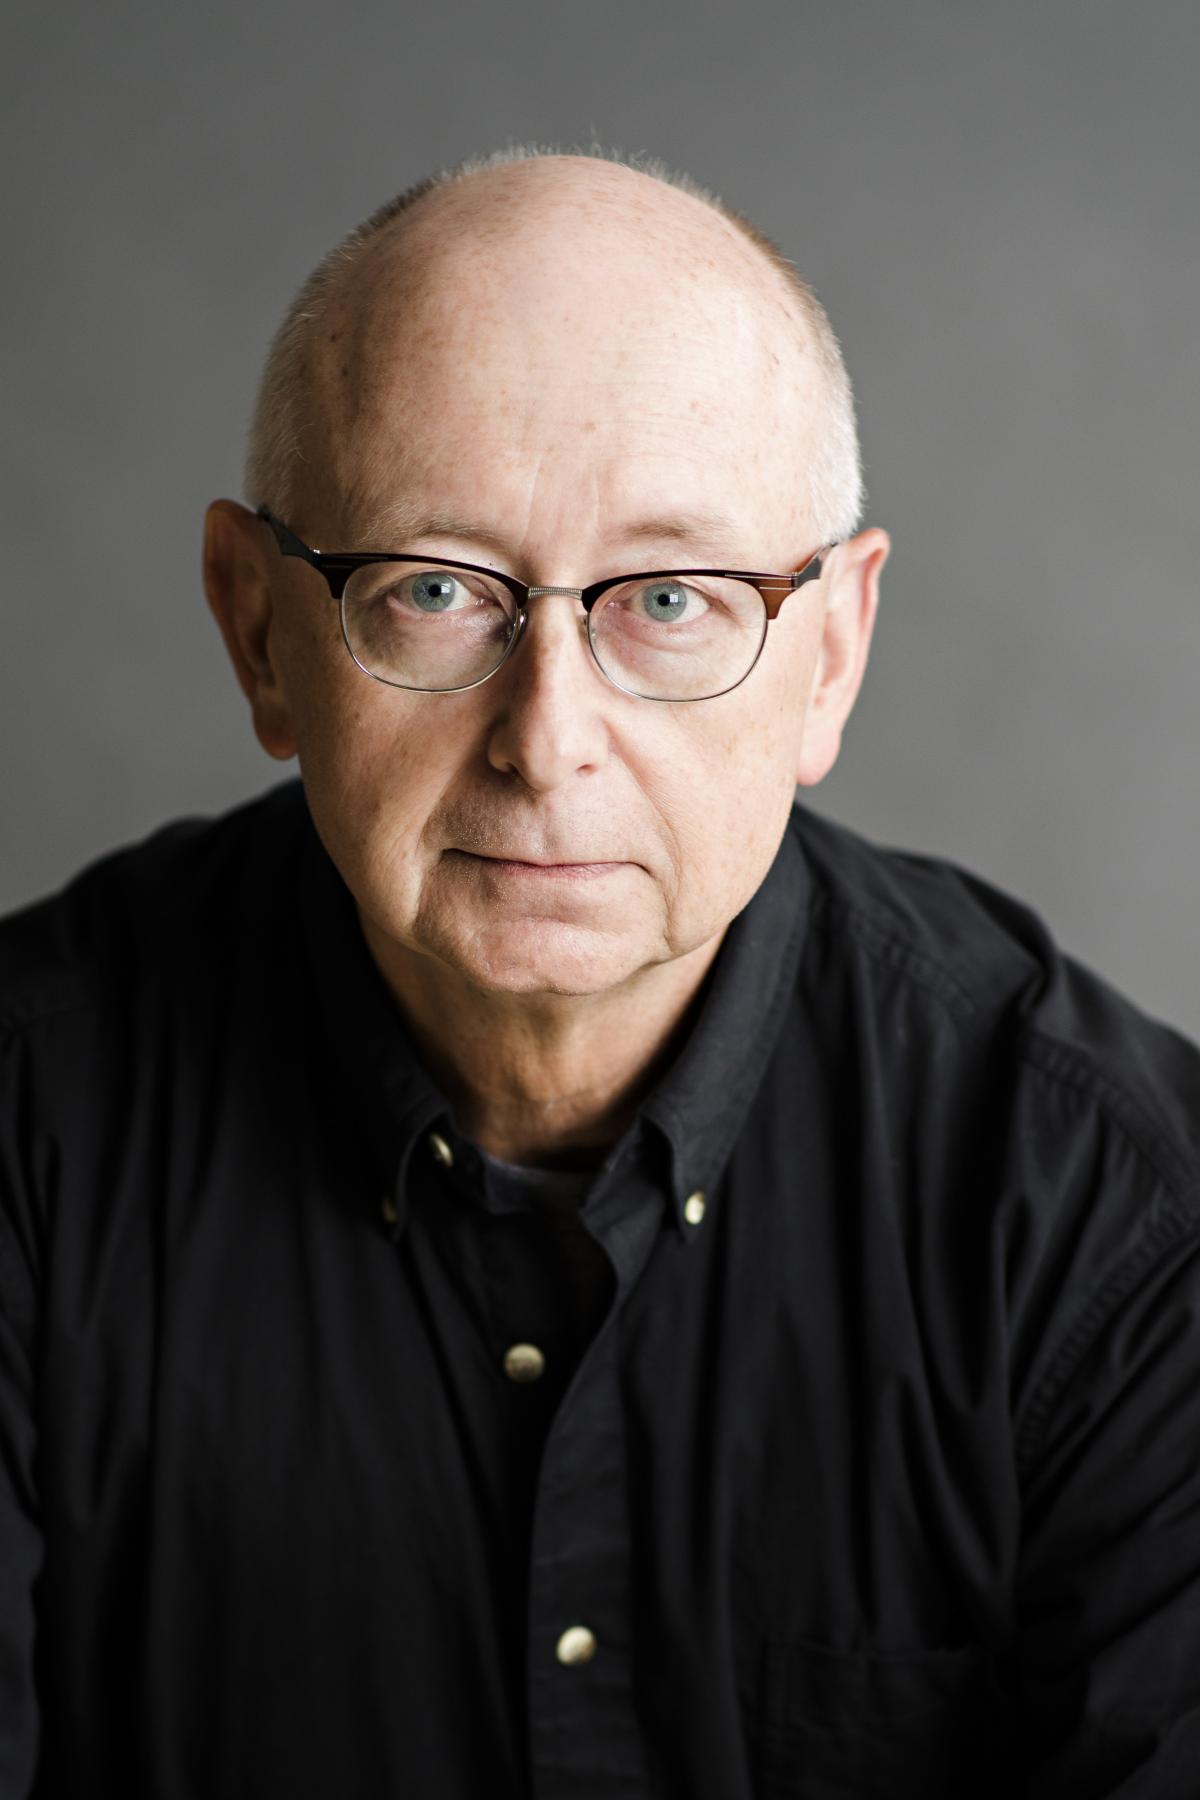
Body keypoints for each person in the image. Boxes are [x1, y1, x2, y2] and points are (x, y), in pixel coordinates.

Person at [2, 148, 1198, 1800]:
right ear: (258, 629)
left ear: (829, 655)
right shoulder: (24, 1131)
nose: (548, 741)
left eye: (671, 600)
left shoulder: (1122, 1223)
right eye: (432, 587)